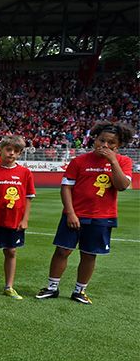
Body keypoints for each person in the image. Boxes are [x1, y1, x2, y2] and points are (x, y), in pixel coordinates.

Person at [36, 121, 134, 304]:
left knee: (89, 254)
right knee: (63, 251)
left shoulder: (123, 161)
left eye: (111, 143)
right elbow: (66, 188)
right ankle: (51, 287)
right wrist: (71, 213)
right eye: (101, 140)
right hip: (75, 214)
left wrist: (112, 161)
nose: (104, 145)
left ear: (119, 145)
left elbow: (122, 186)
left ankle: (79, 291)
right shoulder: (79, 161)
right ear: (94, 139)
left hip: (103, 217)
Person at [0, 135, 34, 300]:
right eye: (8, 149)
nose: (11, 153)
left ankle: (9, 286)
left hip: (14, 219)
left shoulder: (25, 172)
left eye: (16, 151)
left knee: (11, 251)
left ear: (20, 154)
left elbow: (28, 197)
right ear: (1, 150)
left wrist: (25, 219)